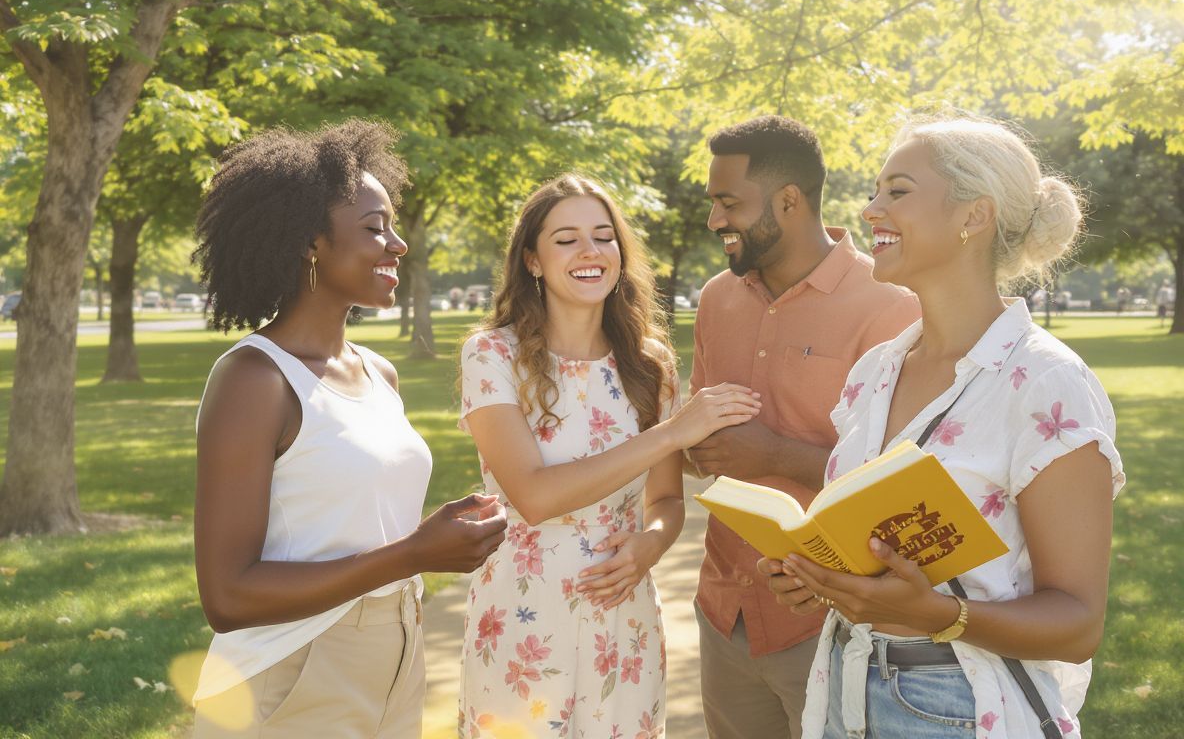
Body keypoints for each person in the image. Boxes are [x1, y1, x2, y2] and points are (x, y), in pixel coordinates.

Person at [761, 115, 1125, 739]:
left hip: (958, 707)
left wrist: (936, 613)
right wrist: (824, 576)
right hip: (844, 688)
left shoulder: (1047, 384)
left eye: (897, 191)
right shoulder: (876, 370)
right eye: (875, 191)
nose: (870, 209)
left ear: (974, 216)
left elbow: (1077, 625)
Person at [189, 121, 508, 738]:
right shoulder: (255, 379)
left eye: (393, 226)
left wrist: (431, 541)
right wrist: (414, 554)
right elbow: (227, 598)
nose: (398, 244)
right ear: (310, 242)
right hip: (292, 670)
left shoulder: (378, 372)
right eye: (374, 228)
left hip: (398, 651)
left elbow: (351, 524)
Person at [457, 174, 761, 737]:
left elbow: (666, 500)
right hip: (525, 613)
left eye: (603, 236)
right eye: (566, 239)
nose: (590, 251)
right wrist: (670, 433)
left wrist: (651, 544)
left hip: (622, 613)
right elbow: (534, 496)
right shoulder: (492, 355)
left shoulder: (649, 364)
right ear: (532, 260)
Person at [685, 115, 920, 739]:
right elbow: (696, 439)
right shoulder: (717, 298)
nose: (713, 220)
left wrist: (776, 455)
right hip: (724, 612)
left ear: (789, 201)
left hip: (828, 623)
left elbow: (906, 487)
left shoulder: (891, 306)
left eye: (728, 203)